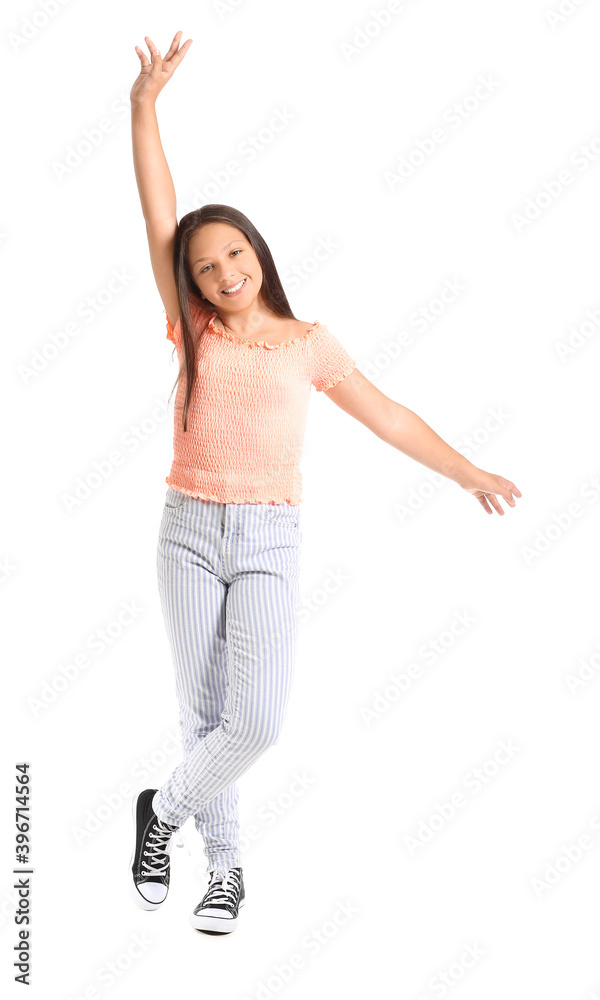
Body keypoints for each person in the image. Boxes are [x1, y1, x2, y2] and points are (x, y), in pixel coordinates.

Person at [127, 31, 522, 936]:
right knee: (203, 710)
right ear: (191, 285)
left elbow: (387, 415)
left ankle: (164, 814)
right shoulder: (196, 332)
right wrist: (144, 108)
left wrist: (466, 471)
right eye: (205, 269)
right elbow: (161, 213)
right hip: (186, 527)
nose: (224, 274)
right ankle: (223, 871)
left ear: (257, 252)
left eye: (233, 256)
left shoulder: (310, 346)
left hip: (267, 536)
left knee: (255, 721)